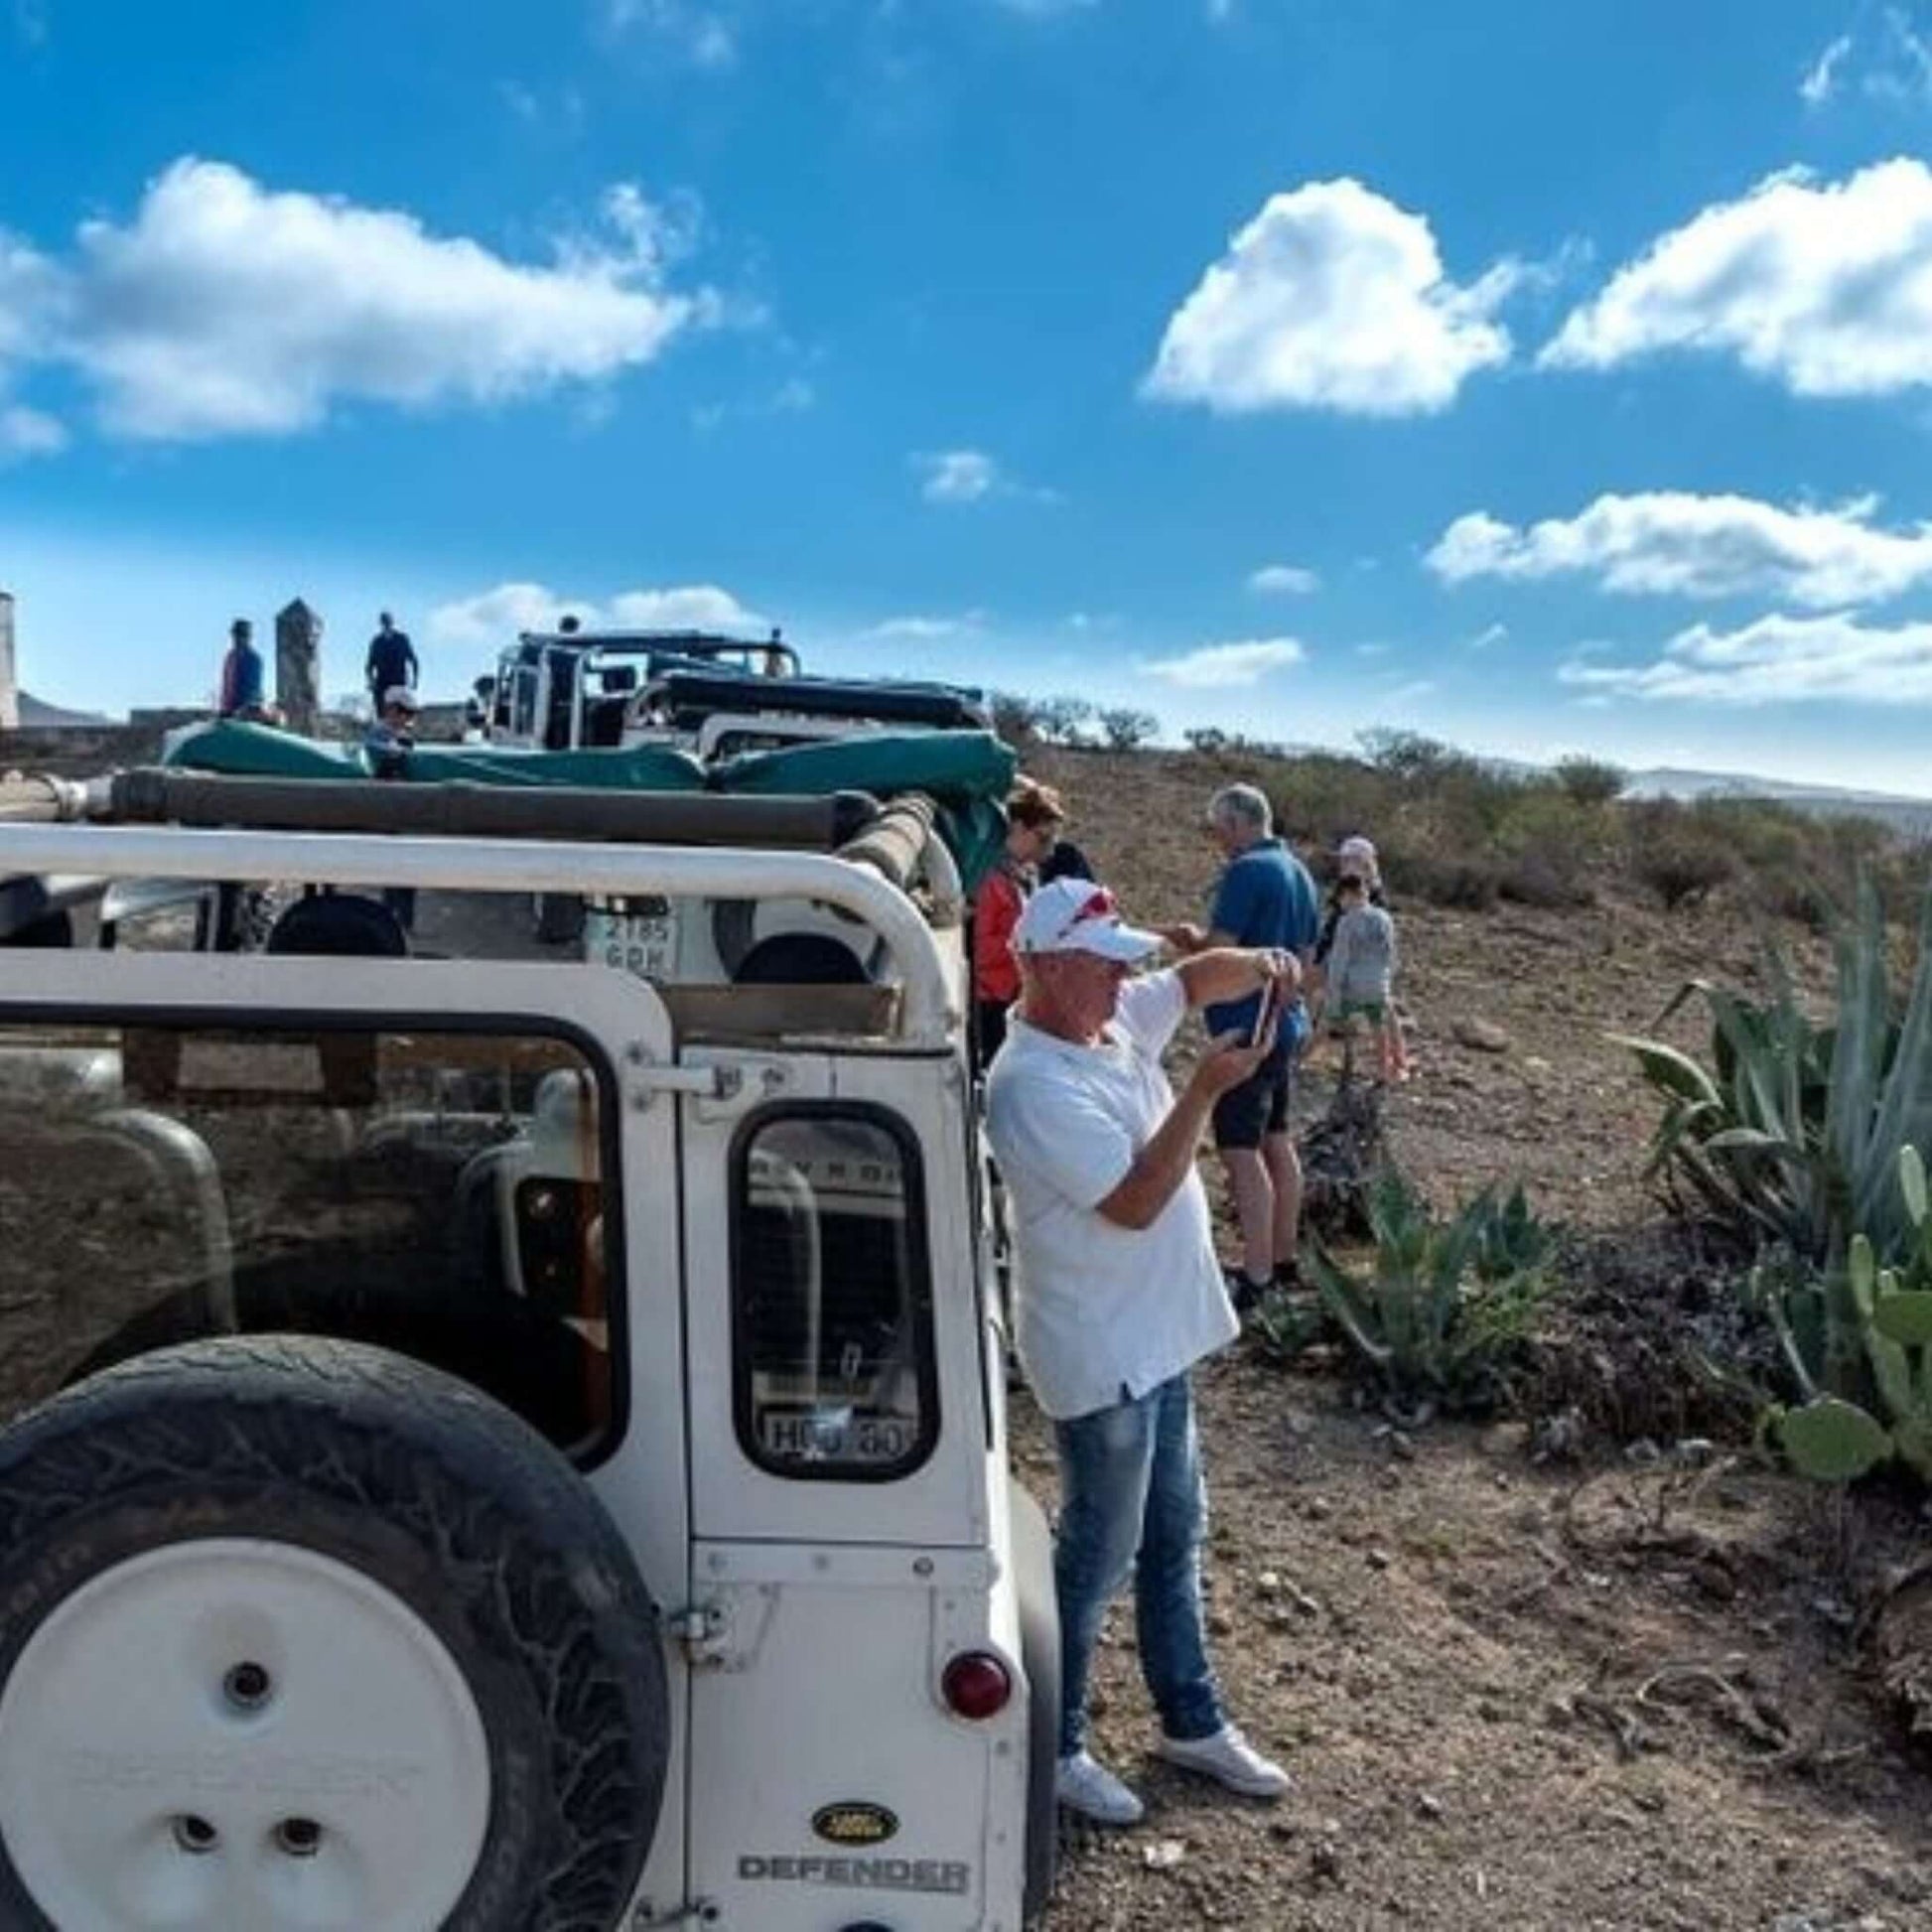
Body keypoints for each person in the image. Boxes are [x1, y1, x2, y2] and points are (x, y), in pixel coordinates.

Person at [985, 876, 1295, 1826]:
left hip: (1160, 1340)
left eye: (1125, 962)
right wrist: (1203, 1089)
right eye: (1104, 965)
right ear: (1041, 966)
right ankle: (1057, 1745)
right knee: (1096, 1557)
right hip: (1104, 1355)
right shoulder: (1031, 1085)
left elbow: (1195, 978)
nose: (1126, 981)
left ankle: (1189, 1718)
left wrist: (1266, 966)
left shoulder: (1108, 1023)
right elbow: (1132, 1201)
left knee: (1174, 1537)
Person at [1163, 785, 1319, 1307]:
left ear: (1237, 823)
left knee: (1239, 1150)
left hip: (1246, 1026)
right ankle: (1282, 1256)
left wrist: (1191, 942)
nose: (1218, 840)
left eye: (1219, 828)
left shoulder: (1247, 871)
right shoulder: (1298, 872)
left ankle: (1256, 1277)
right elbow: (1304, 958)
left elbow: (1223, 948)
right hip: (1285, 1019)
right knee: (1276, 1139)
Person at [973, 777, 1065, 1066]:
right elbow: (978, 950)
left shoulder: (1021, 876)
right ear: (1018, 828)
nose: (1049, 851)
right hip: (987, 1003)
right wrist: (1031, 943)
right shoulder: (989, 880)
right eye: (1043, 839)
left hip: (1011, 996)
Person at [1323, 873, 1403, 1081]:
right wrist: (1388, 978)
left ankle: (1346, 1063)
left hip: (1353, 983)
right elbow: (1390, 952)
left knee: (1338, 1020)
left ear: (1347, 895)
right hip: (1378, 982)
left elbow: (1339, 960)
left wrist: (1334, 991)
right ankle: (1383, 1070)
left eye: (1341, 898)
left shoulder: (1346, 922)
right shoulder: (1384, 918)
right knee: (1379, 1026)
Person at [363, 686, 420, 931]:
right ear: (391, 710)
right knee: (394, 870)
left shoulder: (402, 737)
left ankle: (403, 921)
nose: (408, 718)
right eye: (404, 712)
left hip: (402, 812)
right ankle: (393, 922)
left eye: (410, 713)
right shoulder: (378, 736)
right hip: (387, 813)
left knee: (405, 871)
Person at [364, 612, 418, 714]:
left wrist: (415, 680)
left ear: (392, 622)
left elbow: (413, 660)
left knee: (399, 713)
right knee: (382, 715)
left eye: (388, 621)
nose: (386, 624)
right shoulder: (376, 642)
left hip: (398, 682)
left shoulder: (401, 639)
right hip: (382, 684)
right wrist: (371, 681)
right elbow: (369, 666)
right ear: (381, 623)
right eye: (384, 622)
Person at [217, 619, 264, 718]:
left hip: (247, 710)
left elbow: (253, 690)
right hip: (229, 709)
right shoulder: (230, 658)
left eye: (242, 635)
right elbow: (226, 687)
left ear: (248, 637)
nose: (238, 639)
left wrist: (245, 708)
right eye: (237, 635)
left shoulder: (253, 659)